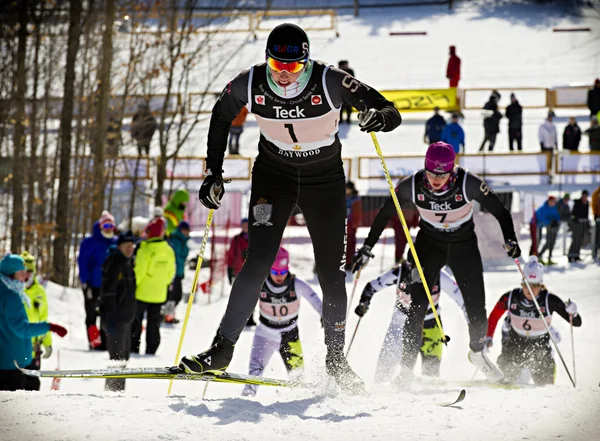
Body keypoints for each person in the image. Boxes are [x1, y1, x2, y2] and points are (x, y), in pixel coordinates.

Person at [179, 23, 402, 393]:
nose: (283, 75)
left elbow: (387, 108)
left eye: (294, 67)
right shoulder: (250, 83)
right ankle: (221, 351)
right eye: (276, 65)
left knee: (332, 273)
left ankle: (335, 359)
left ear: (307, 61)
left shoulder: (330, 80)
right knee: (258, 259)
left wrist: (380, 118)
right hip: (274, 176)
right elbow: (220, 118)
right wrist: (212, 174)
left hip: (323, 180)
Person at [353, 142, 520, 383]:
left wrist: (510, 239)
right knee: (416, 306)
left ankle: (476, 353)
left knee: (477, 310)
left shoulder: (468, 182)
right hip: (429, 245)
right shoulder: (413, 184)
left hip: (463, 246)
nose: (435, 179)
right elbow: (386, 213)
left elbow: (499, 209)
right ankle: (407, 370)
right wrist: (368, 247)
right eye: (431, 173)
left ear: (451, 170)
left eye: (441, 174)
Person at [354, 262, 466, 382]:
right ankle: (382, 388)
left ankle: (427, 392)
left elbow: (462, 299)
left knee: (431, 372)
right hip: (401, 323)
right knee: (384, 371)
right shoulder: (399, 272)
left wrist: (474, 325)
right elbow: (372, 286)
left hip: (430, 324)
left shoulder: (439, 275)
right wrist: (363, 303)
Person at [486, 256, 581, 385]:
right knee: (507, 375)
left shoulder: (549, 300)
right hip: (515, 341)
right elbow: (494, 316)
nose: (530, 290)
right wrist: (488, 336)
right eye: (527, 285)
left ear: (541, 285)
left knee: (544, 382)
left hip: (540, 343)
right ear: (522, 283)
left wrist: (573, 312)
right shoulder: (511, 297)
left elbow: (576, 322)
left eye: (535, 286)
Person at [241, 247, 322, 397]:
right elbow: (242, 297)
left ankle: (300, 402)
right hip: (265, 334)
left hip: (290, 336)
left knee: (298, 377)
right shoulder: (261, 283)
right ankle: (244, 402)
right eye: (275, 272)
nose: (279, 276)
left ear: (288, 269)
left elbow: (317, 302)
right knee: (253, 373)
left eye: (283, 272)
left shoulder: (297, 285)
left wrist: (326, 317)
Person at [0, 255, 67, 391]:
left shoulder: (8, 291)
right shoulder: (10, 296)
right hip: (11, 363)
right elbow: (21, 328)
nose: (25, 276)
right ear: (11, 273)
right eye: (22, 272)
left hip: (10, 357)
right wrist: (49, 327)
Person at [132, 218, 176, 355]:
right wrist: (163, 284)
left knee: (137, 321)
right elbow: (171, 273)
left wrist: (133, 286)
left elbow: (139, 271)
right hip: (159, 293)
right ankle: (152, 348)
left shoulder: (144, 249)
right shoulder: (169, 250)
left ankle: (134, 347)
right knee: (154, 322)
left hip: (142, 292)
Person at [101, 231, 137, 392]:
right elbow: (108, 294)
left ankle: (118, 390)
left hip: (125, 319)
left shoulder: (127, 262)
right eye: (127, 246)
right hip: (115, 319)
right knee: (116, 358)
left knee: (123, 358)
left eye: (132, 246)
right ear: (120, 246)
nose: (130, 249)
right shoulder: (115, 263)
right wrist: (110, 320)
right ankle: (113, 392)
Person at [77, 210, 117, 349]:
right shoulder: (90, 242)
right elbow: (83, 262)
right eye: (106, 226)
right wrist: (85, 282)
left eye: (111, 226)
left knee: (107, 314)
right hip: (92, 284)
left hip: (110, 285)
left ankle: (106, 341)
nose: (109, 229)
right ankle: (94, 340)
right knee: (92, 313)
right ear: (100, 227)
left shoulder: (115, 242)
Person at [20, 251, 52, 391]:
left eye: (29, 271)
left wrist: (47, 342)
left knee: (32, 385)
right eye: (23, 271)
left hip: (34, 349)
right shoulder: (12, 290)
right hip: (16, 348)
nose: (26, 275)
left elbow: (44, 318)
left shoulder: (39, 291)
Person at [165, 221, 190, 324]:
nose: (188, 232)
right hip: (174, 272)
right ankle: (167, 315)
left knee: (174, 296)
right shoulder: (176, 240)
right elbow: (176, 257)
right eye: (186, 230)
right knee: (175, 295)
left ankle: (168, 314)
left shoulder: (183, 240)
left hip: (178, 271)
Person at [534, 196, 561, 265]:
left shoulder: (554, 208)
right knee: (547, 241)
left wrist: (557, 222)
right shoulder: (544, 208)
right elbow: (541, 217)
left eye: (554, 201)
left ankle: (549, 258)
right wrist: (549, 223)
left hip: (552, 227)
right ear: (549, 201)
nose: (553, 203)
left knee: (552, 242)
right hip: (541, 226)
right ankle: (539, 256)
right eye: (552, 201)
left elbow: (557, 216)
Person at [568, 190, 590, 263]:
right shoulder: (577, 202)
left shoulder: (587, 203)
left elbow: (586, 214)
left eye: (586, 196)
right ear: (582, 195)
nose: (585, 197)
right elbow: (573, 214)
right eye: (584, 195)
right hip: (576, 225)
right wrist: (575, 219)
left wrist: (587, 224)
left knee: (580, 240)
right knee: (575, 240)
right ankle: (570, 255)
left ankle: (576, 255)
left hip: (582, 225)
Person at [346, 181, 362, 271]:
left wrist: (354, 225)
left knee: (350, 244)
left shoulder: (355, 199)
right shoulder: (344, 197)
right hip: (344, 224)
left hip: (350, 225)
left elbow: (357, 214)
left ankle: (349, 263)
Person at [591, 185, 600, 261]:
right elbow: (593, 204)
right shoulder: (596, 194)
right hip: (598, 218)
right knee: (597, 236)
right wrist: (595, 214)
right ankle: (596, 251)